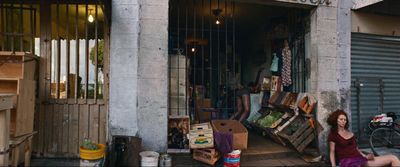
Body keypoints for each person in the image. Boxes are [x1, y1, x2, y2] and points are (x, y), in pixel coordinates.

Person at [328, 109, 400, 167]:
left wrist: (365, 156)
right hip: (347, 161)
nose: (343, 121)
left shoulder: (350, 133)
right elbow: (332, 152)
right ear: (336, 120)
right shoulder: (333, 135)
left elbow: (356, 149)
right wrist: (333, 165)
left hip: (360, 159)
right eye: (341, 119)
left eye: (345, 119)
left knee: (393, 158)